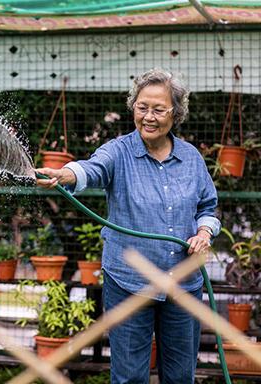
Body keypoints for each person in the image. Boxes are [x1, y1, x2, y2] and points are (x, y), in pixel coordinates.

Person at [36, 68, 221, 384]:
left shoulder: (191, 158)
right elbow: (92, 169)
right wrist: (63, 175)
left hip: (183, 285)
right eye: (142, 107)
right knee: (129, 377)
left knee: (180, 376)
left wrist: (204, 232)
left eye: (158, 110)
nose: (148, 117)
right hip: (129, 283)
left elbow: (208, 207)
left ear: (175, 113)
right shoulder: (117, 151)